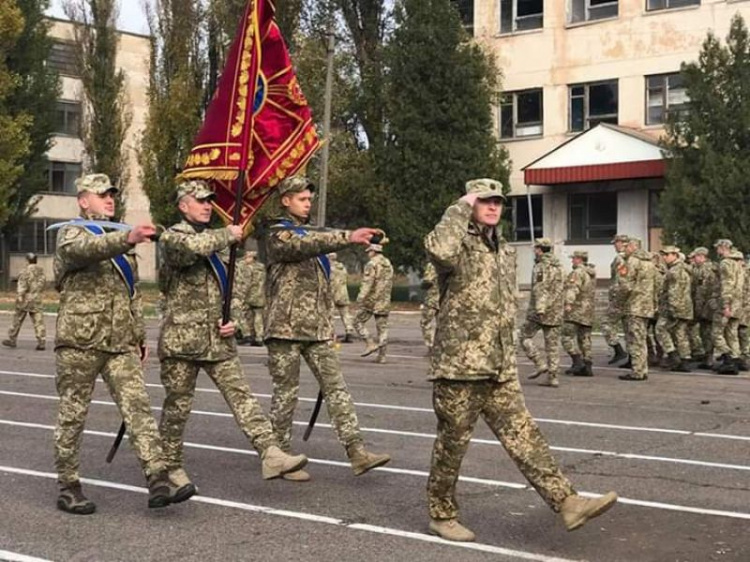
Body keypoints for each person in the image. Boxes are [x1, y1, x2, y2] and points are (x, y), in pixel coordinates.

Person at [424, 178, 617, 542]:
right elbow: (439, 251)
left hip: (497, 364)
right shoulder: (456, 242)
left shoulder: (503, 249)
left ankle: (566, 501)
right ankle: (441, 512)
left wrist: (508, 356)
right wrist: (459, 206)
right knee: (452, 445)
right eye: (485, 201)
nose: (493, 207)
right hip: (460, 366)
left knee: (525, 435)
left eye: (498, 201)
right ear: (470, 203)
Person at [53, 173, 191, 515]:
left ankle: (157, 478)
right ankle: (68, 485)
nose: (109, 199)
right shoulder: (72, 232)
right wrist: (126, 238)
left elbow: (131, 294)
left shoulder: (119, 236)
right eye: (102, 195)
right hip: (79, 342)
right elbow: (85, 252)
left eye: (111, 194)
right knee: (73, 414)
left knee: (138, 409)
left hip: (119, 343)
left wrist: (139, 336)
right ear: (84, 200)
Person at [158, 180, 308, 491]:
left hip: (218, 340)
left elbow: (233, 290)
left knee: (244, 399)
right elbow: (190, 250)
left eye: (208, 201)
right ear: (183, 206)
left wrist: (234, 321)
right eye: (199, 201)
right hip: (182, 342)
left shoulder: (219, 244)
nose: (207, 206)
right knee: (177, 408)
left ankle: (270, 452)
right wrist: (229, 233)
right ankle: (170, 466)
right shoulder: (173, 237)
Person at [264, 175, 391, 481]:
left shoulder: (306, 234)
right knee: (286, 395)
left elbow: (318, 286)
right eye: (302, 199)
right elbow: (307, 245)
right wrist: (347, 236)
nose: (308, 203)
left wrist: (327, 322)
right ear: (286, 200)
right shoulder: (277, 234)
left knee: (337, 390)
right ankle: (278, 458)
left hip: (317, 330)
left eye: (309, 199)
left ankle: (357, 452)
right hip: (285, 329)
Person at [520, 238, 564, 387]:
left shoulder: (540, 267)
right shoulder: (559, 267)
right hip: (556, 311)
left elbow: (540, 288)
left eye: (535, 249)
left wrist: (540, 308)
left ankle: (539, 363)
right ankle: (553, 378)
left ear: (539, 250)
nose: (534, 251)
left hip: (541, 311)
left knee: (524, 336)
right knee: (552, 346)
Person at [618, 237, 656, 382]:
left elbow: (626, 285)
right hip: (646, 306)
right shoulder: (650, 263)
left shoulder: (632, 261)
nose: (624, 248)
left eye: (627, 246)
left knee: (634, 339)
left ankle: (637, 371)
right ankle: (643, 369)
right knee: (641, 339)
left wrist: (620, 301)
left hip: (634, 305)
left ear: (634, 247)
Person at [354, 243, 394, 363]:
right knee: (382, 328)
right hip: (384, 300)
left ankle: (370, 343)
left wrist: (360, 297)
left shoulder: (372, 264)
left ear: (373, 251)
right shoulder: (388, 264)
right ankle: (382, 356)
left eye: (369, 252)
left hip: (371, 300)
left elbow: (368, 282)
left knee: (357, 322)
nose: (368, 254)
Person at [654, 246, 693, 372]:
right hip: (685, 307)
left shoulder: (674, 271)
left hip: (674, 307)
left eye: (667, 254)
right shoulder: (684, 269)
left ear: (675, 255)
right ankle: (685, 360)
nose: (664, 257)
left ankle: (673, 355)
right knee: (680, 334)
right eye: (663, 255)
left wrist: (673, 309)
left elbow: (674, 293)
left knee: (660, 329)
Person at [711, 240, 743, 375]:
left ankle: (728, 358)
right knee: (732, 334)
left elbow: (727, 285)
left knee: (716, 333)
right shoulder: (738, 263)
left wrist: (725, 305)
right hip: (737, 303)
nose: (716, 250)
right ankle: (735, 360)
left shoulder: (725, 263)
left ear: (723, 248)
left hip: (727, 303)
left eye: (718, 248)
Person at [562, 251, 596, 377]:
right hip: (588, 310)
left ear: (579, 259)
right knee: (585, 339)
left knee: (566, 336)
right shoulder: (590, 273)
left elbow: (573, 288)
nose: (572, 261)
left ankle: (577, 362)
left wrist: (568, 303)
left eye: (574, 259)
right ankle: (587, 366)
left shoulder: (577, 272)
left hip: (576, 310)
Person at [3, 252, 46, 350]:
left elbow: (22, 285)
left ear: (27, 260)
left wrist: (20, 296)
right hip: (36, 298)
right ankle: (41, 341)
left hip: (25, 298)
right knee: (38, 321)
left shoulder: (25, 271)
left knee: (17, 319)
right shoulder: (41, 271)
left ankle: (12, 339)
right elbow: (43, 283)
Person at [602, 235, 630, 364]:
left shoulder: (620, 258)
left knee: (606, 323)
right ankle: (633, 359)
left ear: (622, 243)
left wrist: (615, 297)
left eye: (616, 243)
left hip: (620, 298)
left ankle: (618, 350)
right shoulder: (633, 257)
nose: (615, 245)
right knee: (629, 329)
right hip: (630, 298)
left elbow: (620, 280)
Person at [690, 247, 717, 369]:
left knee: (707, 332)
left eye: (695, 257)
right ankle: (707, 356)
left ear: (702, 257)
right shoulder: (702, 268)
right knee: (704, 331)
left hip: (707, 305)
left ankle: (709, 358)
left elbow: (702, 291)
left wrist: (698, 309)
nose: (693, 259)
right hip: (707, 304)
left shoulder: (706, 269)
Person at [329, 252, 355, 343]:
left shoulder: (329, 268)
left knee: (329, 314)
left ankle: (330, 333)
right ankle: (349, 330)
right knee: (345, 314)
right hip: (343, 293)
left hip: (331, 293)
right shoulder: (342, 268)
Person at [420, 261, 440, 353]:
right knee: (442, 324)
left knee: (425, 322)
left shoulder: (433, 264)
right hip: (445, 298)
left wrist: (423, 286)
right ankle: (441, 346)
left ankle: (431, 345)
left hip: (433, 298)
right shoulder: (450, 264)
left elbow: (427, 281)